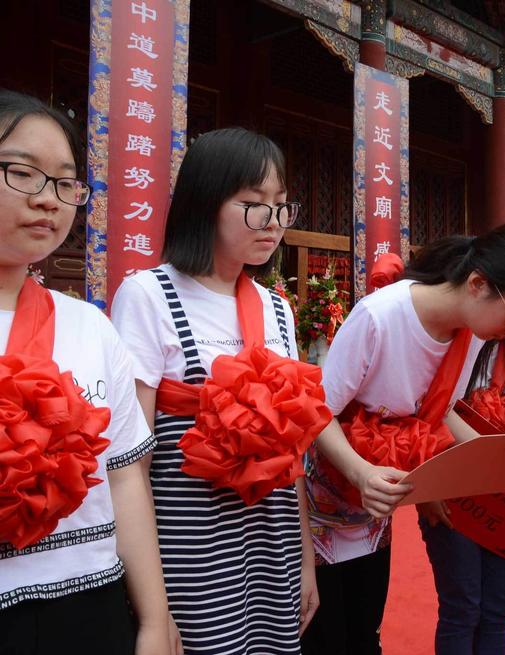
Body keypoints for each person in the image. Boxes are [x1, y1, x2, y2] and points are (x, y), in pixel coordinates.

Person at [305, 221, 505, 655]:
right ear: (478, 284)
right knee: (327, 632)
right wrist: (359, 472)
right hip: (330, 493)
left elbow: (440, 412)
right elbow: (317, 412)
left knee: (364, 629)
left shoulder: (468, 333)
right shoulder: (379, 317)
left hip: (376, 499)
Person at [112, 128, 324, 655]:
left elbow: (291, 453)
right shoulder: (149, 296)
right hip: (192, 551)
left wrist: (305, 559)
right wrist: (152, 608)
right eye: (253, 205)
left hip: (273, 542)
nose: (273, 222)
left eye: (281, 205)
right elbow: (132, 464)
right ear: (205, 203)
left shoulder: (278, 309)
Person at [0, 90, 174, 654]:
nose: (48, 200)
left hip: (90, 604)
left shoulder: (91, 327)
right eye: (22, 173)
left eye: (65, 183)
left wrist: (154, 620)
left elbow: (124, 478)